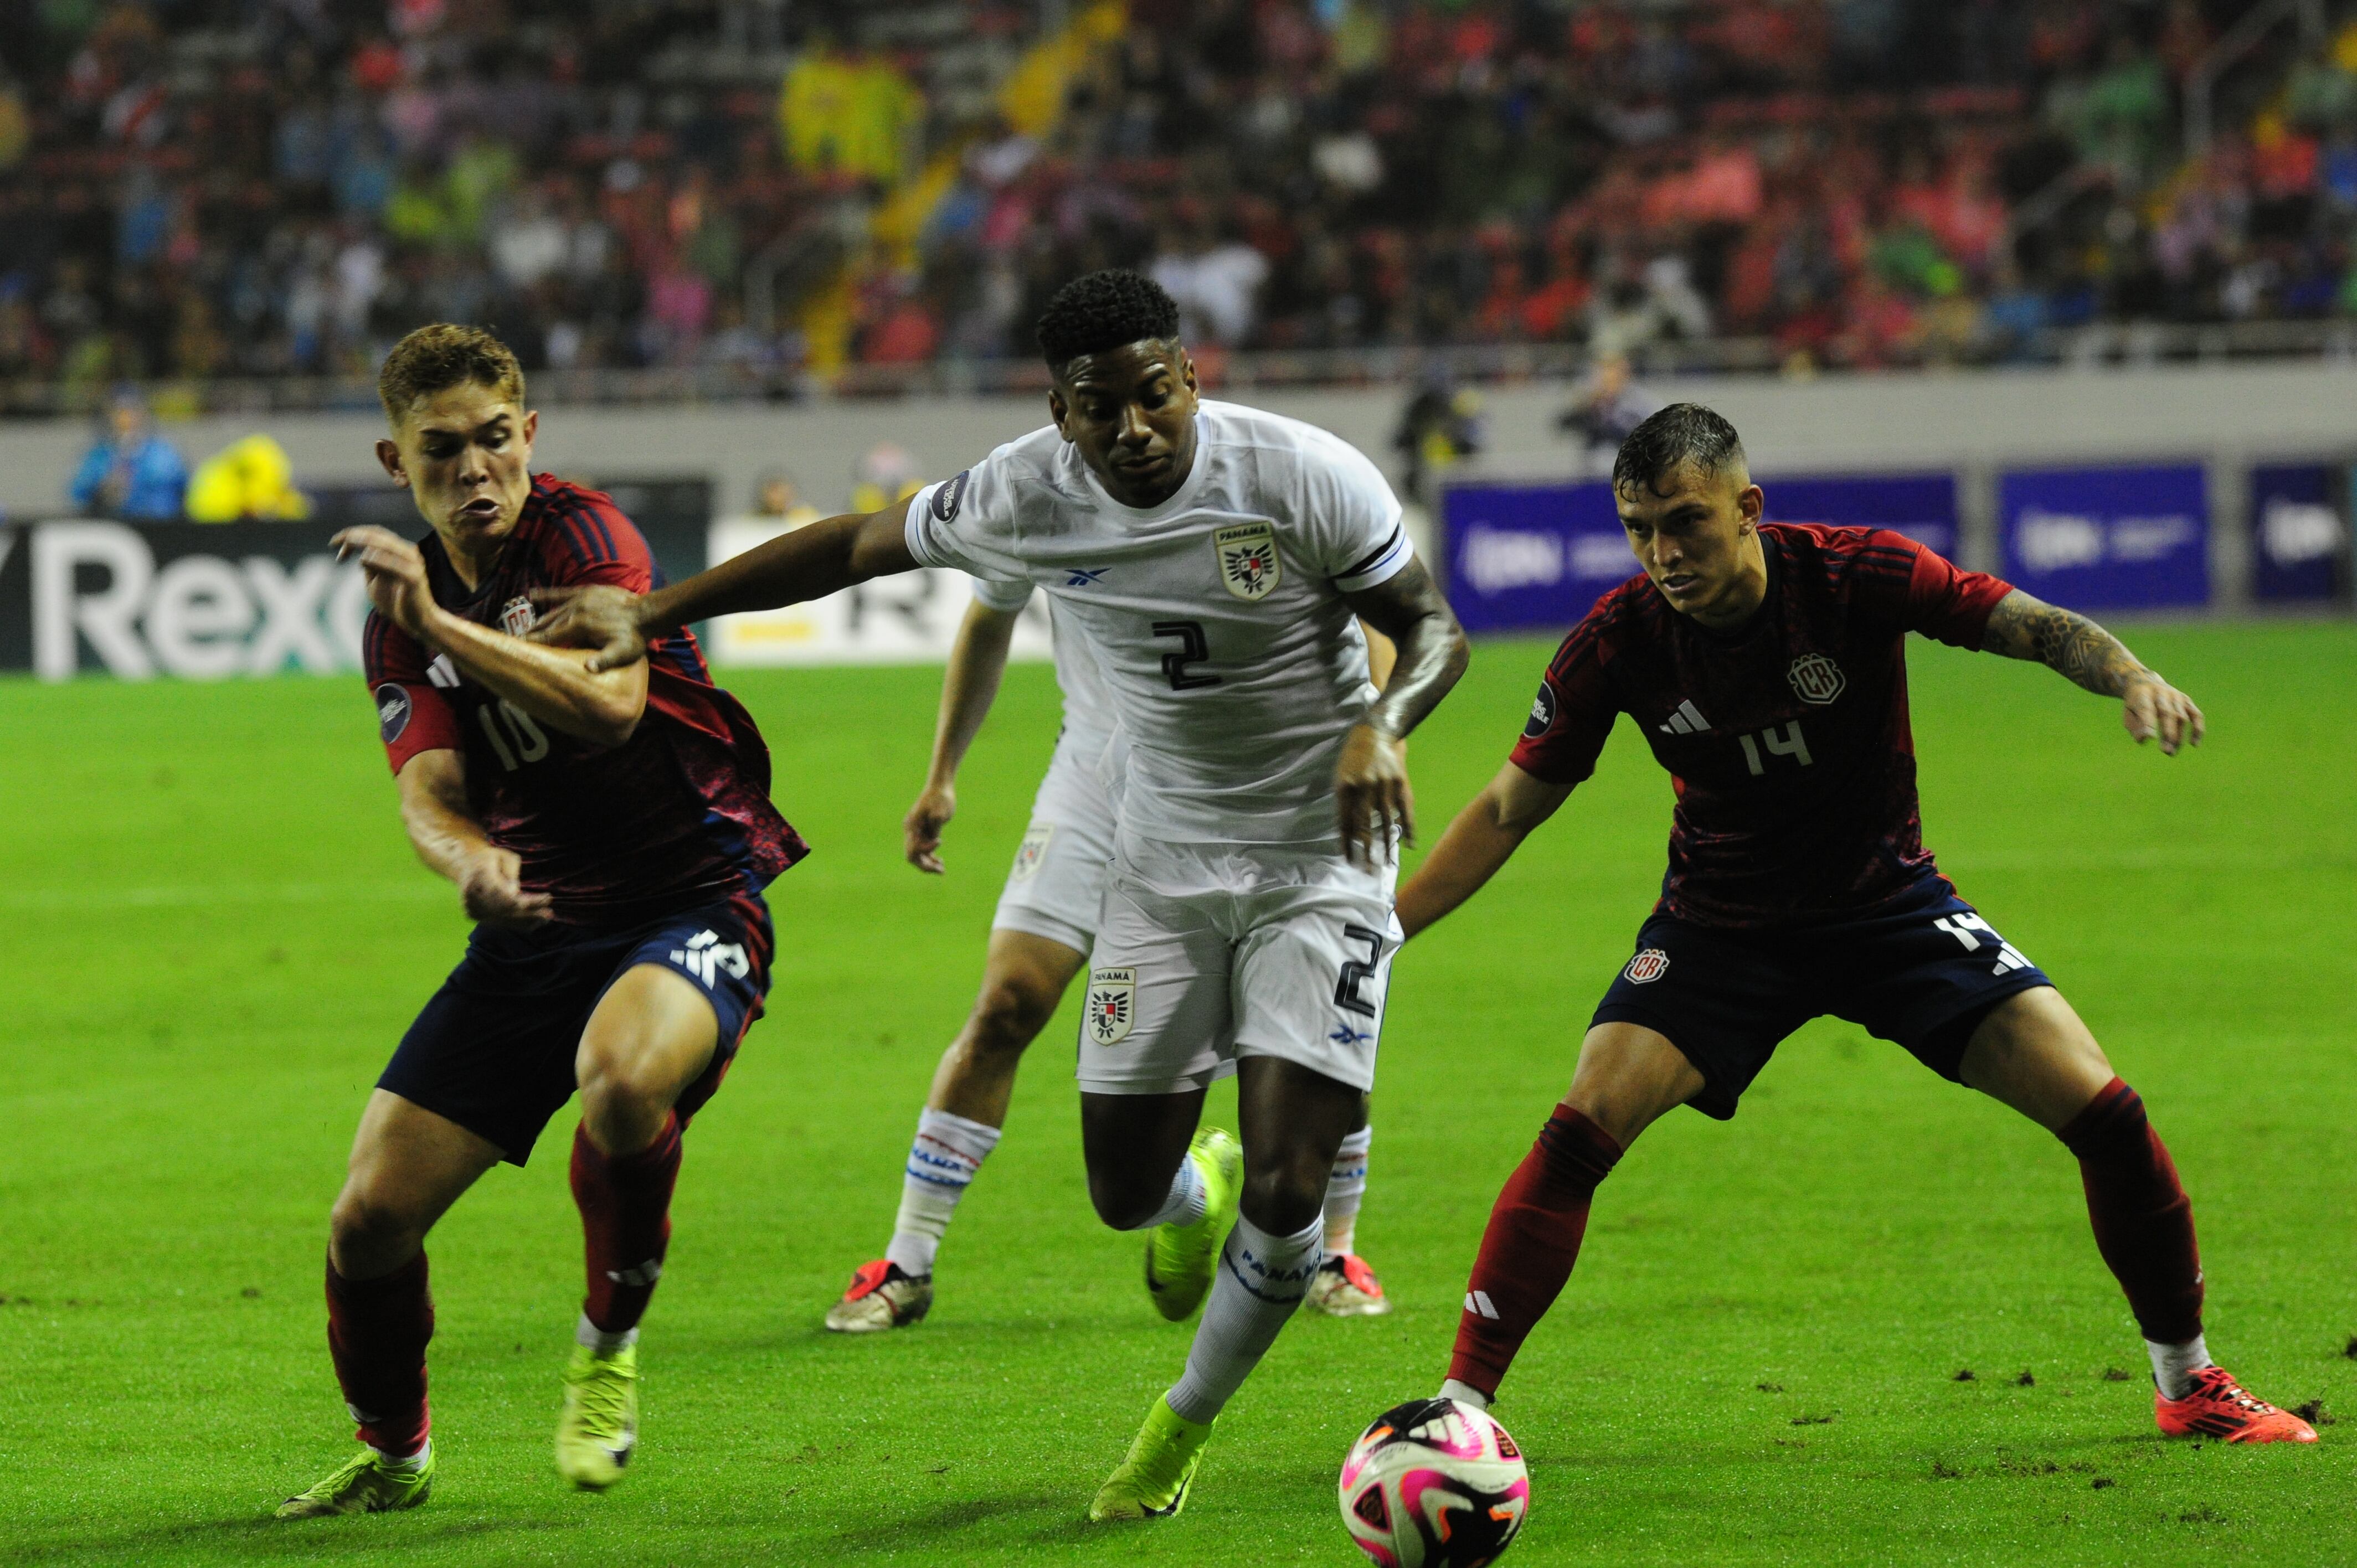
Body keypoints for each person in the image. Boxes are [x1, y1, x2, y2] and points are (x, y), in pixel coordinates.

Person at [529, 269, 1470, 1520]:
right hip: (1159, 861)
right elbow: (855, 546)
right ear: (1060, 409)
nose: (1134, 428)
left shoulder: (1304, 474)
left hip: (1325, 854)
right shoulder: (1024, 487)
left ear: (1191, 378)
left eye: (1154, 396)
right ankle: (1191, 1193)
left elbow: (1433, 625)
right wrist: (658, 610)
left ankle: (1173, 1430)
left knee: (1293, 1179)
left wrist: (1387, 725)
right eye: (1101, 407)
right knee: (1122, 1190)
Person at [1398, 404, 2317, 1446]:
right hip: (1720, 928)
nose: (1664, 553)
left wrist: (2133, 674)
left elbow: (2027, 621)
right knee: (1580, 1126)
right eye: (1640, 529)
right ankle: (1458, 1413)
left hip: (1890, 908)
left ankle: (2187, 1382)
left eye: (1686, 522)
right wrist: (1387, 929)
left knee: (2104, 1112)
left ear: (1747, 508)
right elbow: (1508, 808)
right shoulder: (1618, 643)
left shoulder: (1852, 574)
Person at [277, 324, 807, 1519]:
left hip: (690, 900)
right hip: (533, 930)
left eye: (493, 440)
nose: (474, 471)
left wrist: (442, 623)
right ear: (393, 458)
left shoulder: (583, 537)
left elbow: (612, 710)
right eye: (441, 450)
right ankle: (395, 1454)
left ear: (530, 436)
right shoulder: (397, 613)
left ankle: (606, 1350)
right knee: (367, 1222)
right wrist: (467, 867)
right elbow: (429, 794)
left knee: (621, 1082)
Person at [823, 582, 1403, 1333]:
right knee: (1007, 1003)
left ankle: (1333, 1252)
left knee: (1317, 1032)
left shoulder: (1273, 474)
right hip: (1095, 779)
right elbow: (988, 616)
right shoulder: (1043, 484)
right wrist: (942, 774)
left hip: (1255, 782)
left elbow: (1377, 611)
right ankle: (908, 1260)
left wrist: (1382, 741)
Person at [69, 388, 189, 520]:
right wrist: (101, 490)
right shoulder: (99, 455)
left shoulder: (164, 453)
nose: (126, 419)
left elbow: (182, 487)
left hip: (161, 525)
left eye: (132, 411)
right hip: (116, 527)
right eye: (120, 412)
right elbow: (78, 492)